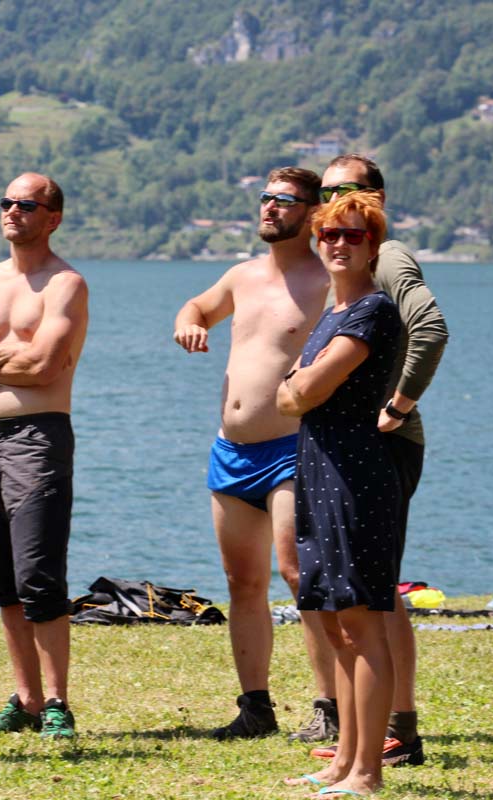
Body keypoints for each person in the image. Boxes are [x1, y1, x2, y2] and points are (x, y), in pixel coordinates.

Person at [172, 167, 331, 738]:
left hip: (293, 448)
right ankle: (255, 709)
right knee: (242, 583)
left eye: (284, 200)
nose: (269, 207)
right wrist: (189, 324)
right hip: (231, 451)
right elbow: (196, 306)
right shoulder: (242, 275)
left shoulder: (327, 279)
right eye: (265, 197)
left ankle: (329, 706)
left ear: (312, 213)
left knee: (298, 574)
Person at [302, 154, 448, 764]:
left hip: (378, 443)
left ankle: (394, 733)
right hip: (341, 446)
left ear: (378, 203)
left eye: (350, 195)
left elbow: (430, 327)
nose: (336, 209)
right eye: (326, 197)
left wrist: (398, 404)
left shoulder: (387, 259)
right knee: (360, 597)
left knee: (371, 596)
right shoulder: (345, 280)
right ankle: (364, 739)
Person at [0, 173, 88, 739]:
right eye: (6, 202)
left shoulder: (65, 285)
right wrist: (10, 352)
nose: (12, 211)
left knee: (39, 575)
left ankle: (56, 701)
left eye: (25, 204)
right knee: (1, 577)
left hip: (38, 437)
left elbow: (45, 367)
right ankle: (26, 699)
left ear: (52, 217)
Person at [278, 191, 403, 797]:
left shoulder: (373, 312)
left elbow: (301, 393)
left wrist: (299, 383)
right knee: (333, 623)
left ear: (373, 246)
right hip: (319, 468)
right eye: (330, 234)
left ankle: (368, 772)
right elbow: (294, 393)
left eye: (354, 235)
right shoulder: (335, 313)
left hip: (356, 477)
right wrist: (299, 385)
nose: (339, 245)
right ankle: (344, 760)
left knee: (360, 623)